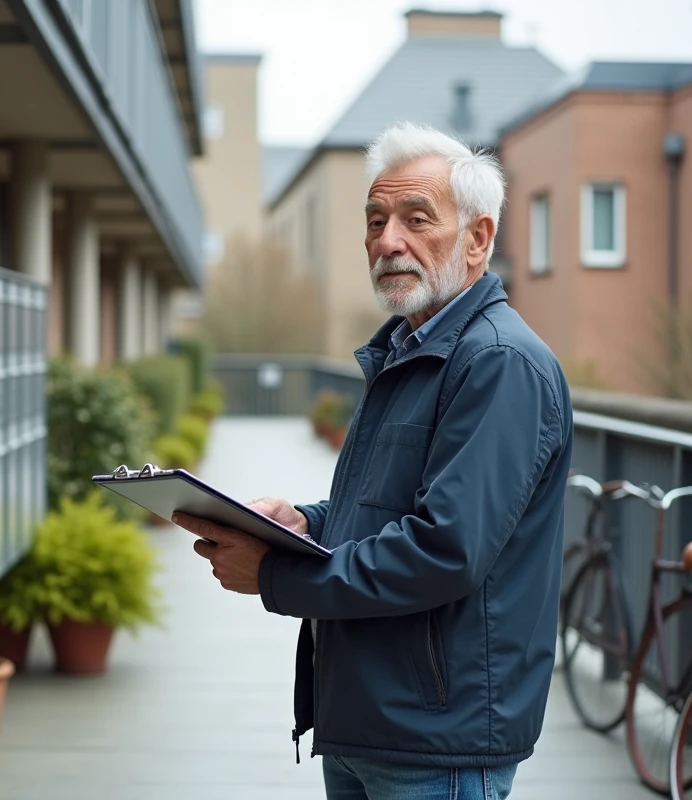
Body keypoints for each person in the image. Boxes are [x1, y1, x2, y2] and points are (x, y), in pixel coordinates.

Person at [171, 122, 574, 800]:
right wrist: (305, 521)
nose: (389, 241)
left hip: (436, 741)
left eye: (417, 219)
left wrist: (274, 575)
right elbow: (389, 506)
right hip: (370, 719)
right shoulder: (408, 350)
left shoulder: (499, 363)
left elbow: (445, 549)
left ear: (478, 238)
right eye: (376, 220)